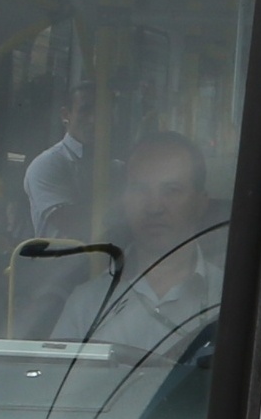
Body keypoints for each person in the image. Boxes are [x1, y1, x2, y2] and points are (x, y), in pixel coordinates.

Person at [55, 131, 222, 354]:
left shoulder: (229, 298)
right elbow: (55, 385)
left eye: (171, 191)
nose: (154, 207)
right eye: (140, 189)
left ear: (201, 203)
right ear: (124, 200)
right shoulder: (86, 304)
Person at [23, 80, 96, 241]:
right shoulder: (47, 164)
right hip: (58, 264)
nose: (94, 119)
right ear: (65, 115)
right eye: (85, 110)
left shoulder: (115, 167)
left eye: (102, 111)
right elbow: (73, 223)